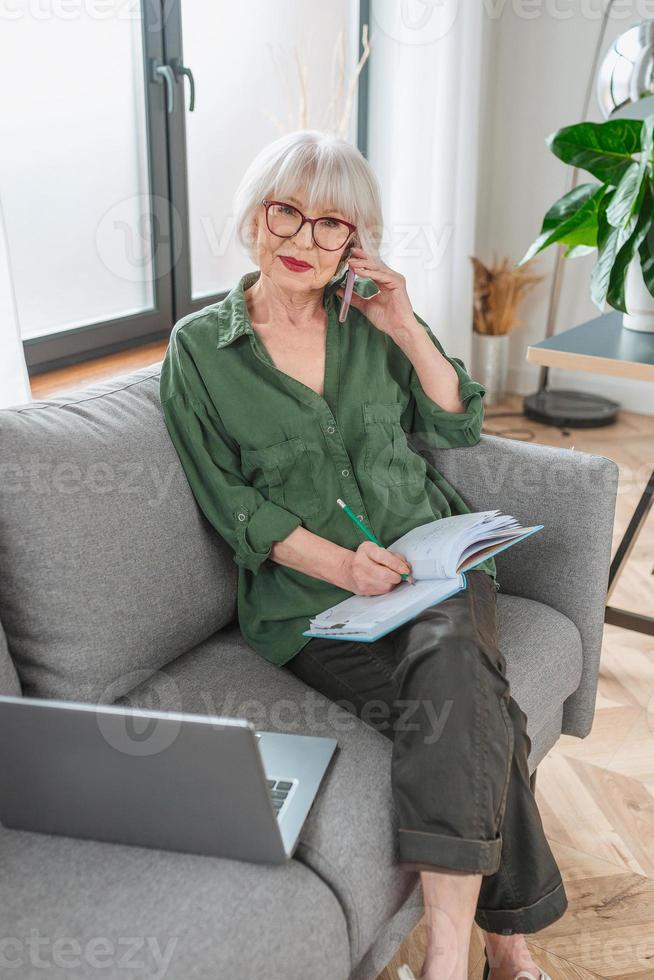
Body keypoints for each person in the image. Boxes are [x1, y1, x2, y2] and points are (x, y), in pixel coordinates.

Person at [159, 129, 564, 980]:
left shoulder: (367, 319)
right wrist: (342, 566)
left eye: (331, 225)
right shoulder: (199, 351)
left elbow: (457, 421)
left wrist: (405, 322)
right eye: (287, 213)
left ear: (357, 240)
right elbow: (233, 505)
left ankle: (446, 959)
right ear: (253, 219)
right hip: (313, 605)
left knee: (453, 656)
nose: (305, 241)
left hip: (436, 559)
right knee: (480, 706)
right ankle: (508, 947)